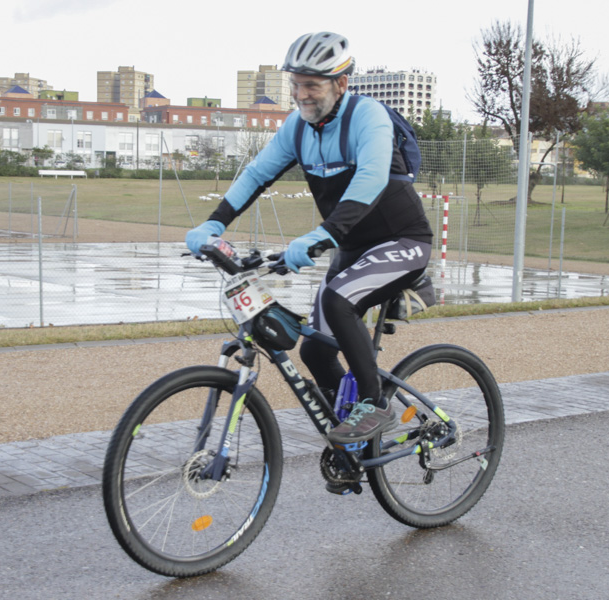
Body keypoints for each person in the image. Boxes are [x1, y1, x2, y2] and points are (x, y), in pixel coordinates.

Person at [186, 32, 433, 446]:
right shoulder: (297, 128)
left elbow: (371, 178)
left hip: (401, 241)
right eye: (295, 84)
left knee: (339, 301)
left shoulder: (367, 116)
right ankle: (354, 444)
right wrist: (214, 223)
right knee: (315, 351)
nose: (301, 95)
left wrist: (323, 235)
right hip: (351, 248)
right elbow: (257, 174)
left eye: (312, 85)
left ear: (341, 83)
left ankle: (376, 407)